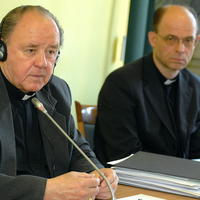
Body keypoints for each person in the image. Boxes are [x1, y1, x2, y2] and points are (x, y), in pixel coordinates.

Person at [0, 5, 118, 200]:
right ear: (2, 49)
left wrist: (96, 173)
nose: (43, 63)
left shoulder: (56, 90)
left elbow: (77, 150)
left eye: (51, 52)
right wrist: (46, 189)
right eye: (31, 50)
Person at [94, 4, 200, 165]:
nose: (181, 49)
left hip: (181, 185)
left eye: (188, 40)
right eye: (171, 39)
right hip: (129, 183)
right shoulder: (120, 84)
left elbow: (196, 151)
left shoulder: (196, 87)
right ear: (153, 39)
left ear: (196, 41)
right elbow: (123, 155)